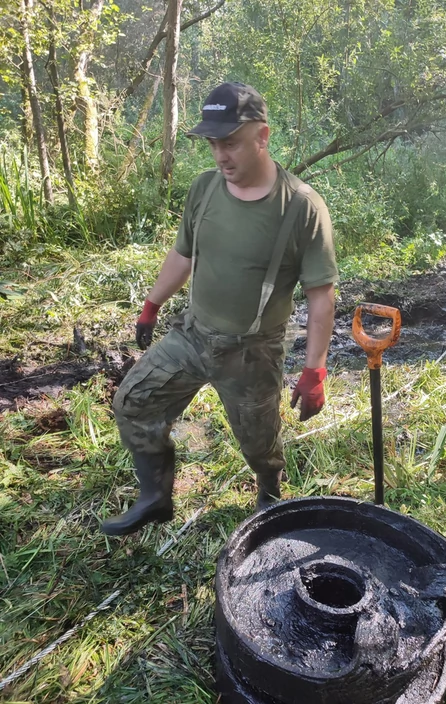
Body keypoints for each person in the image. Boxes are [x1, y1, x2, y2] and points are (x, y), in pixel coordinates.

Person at [101, 82, 337, 536]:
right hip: (192, 335)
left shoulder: (300, 206)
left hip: (252, 351)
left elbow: (321, 296)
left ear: (262, 136)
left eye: (230, 142)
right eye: (213, 144)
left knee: (258, 443)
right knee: (133, 401)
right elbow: (183, 255)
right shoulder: (205, 189)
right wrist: (151, 305)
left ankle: (269, 493)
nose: (220, 155)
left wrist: (315, 371)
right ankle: (155, 496)